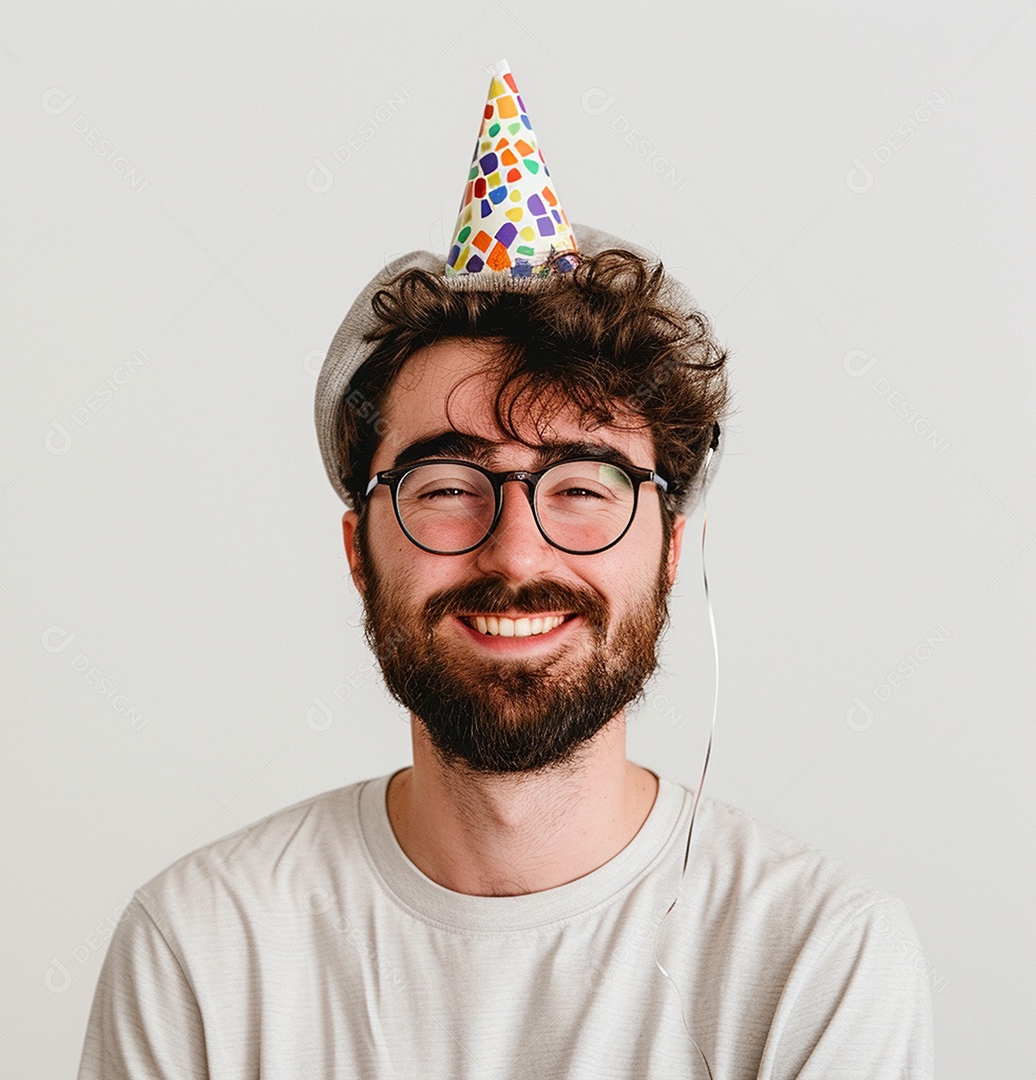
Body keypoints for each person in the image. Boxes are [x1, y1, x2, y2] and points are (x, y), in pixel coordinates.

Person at [77, 64, 935, 1079]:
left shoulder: (818, 961)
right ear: (358, 553)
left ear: (670, 549)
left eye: (582, 486)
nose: (517, 553)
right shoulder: (203, 955)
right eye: (448, 486)